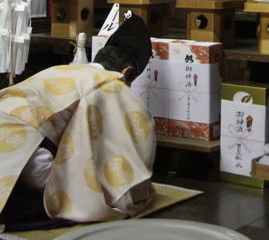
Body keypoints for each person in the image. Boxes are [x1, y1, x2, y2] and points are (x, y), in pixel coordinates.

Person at [0, 14, 156, 226]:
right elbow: (129, 153)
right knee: (86, 195)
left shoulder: (64, 70)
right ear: (127, 72)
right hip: (23, 154)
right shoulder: (111, 84)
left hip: (12, 140)